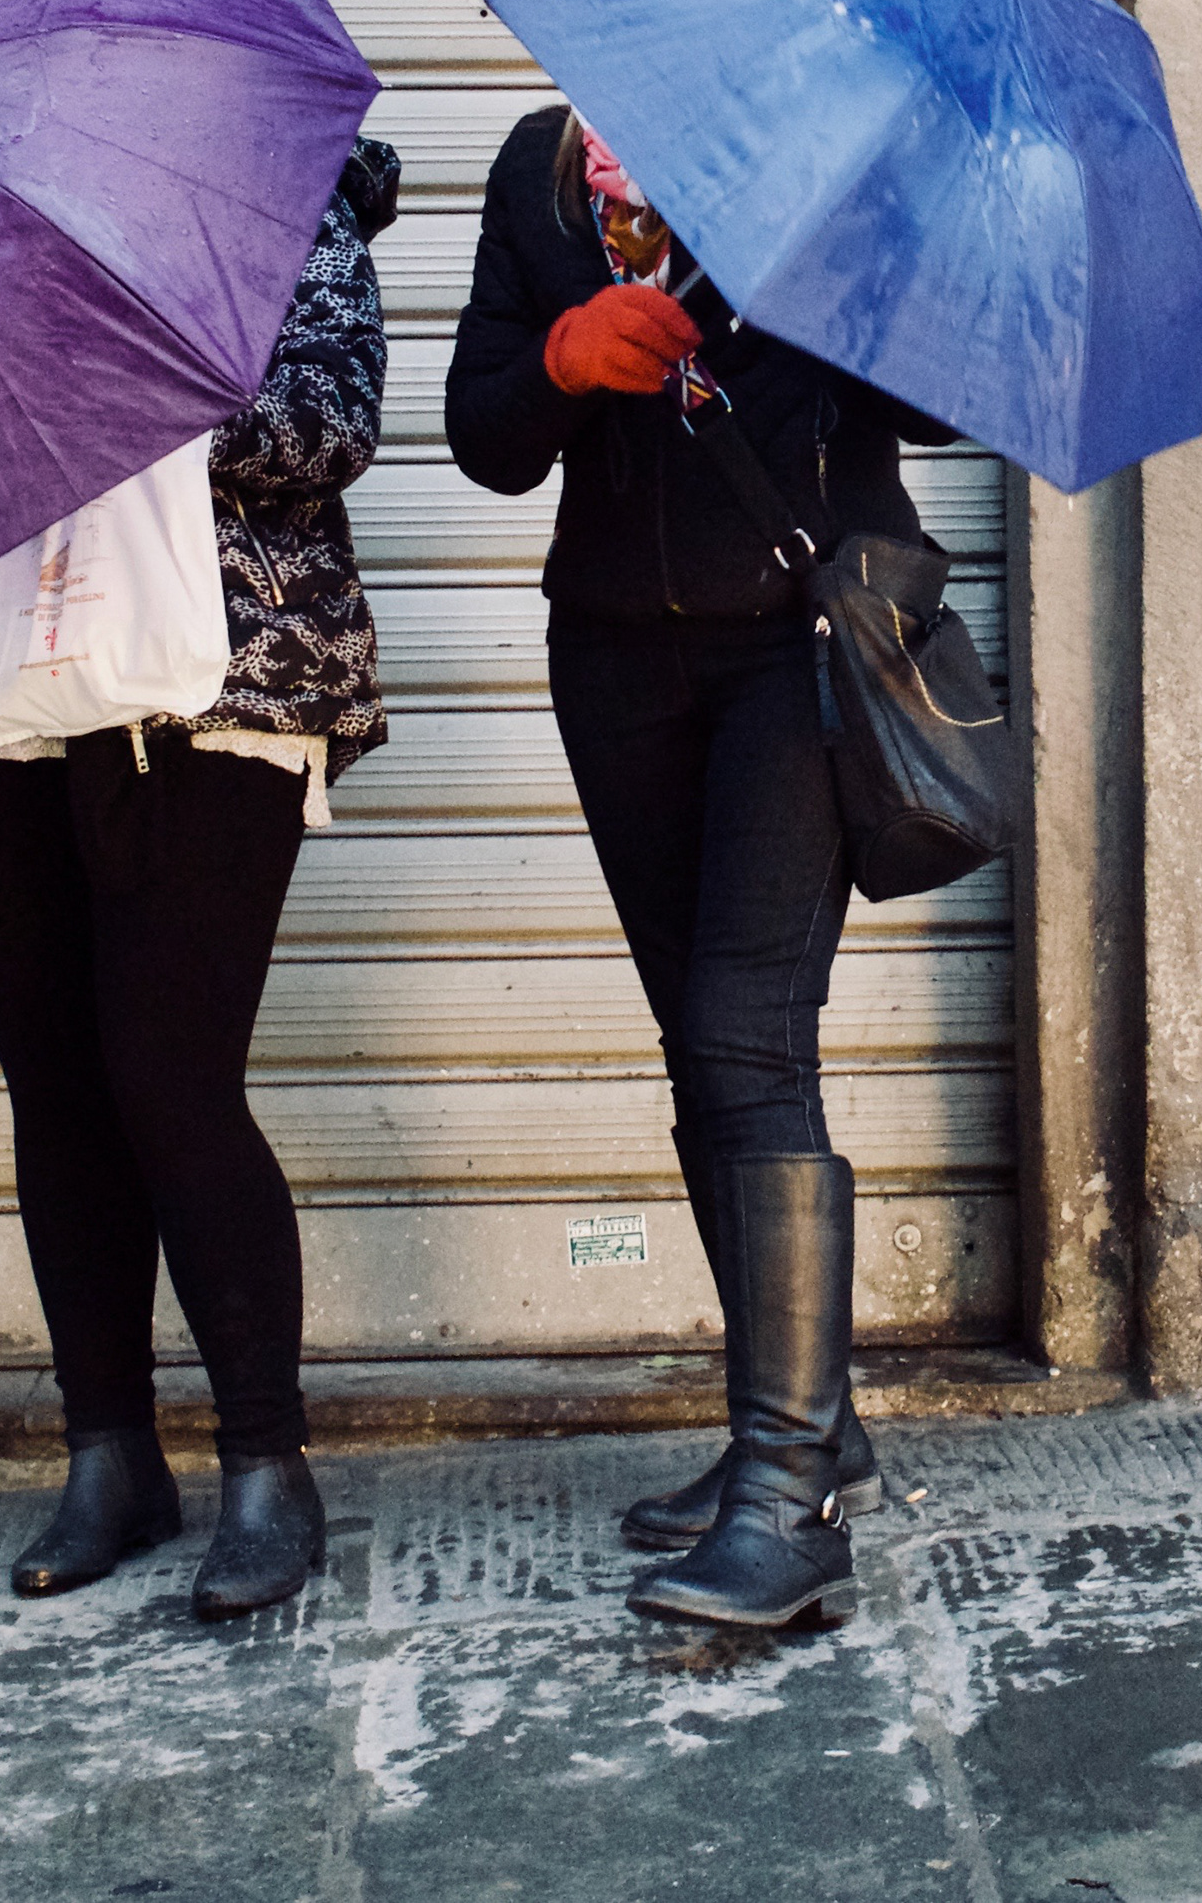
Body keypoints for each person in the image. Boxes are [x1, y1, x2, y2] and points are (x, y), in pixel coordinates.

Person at [0, 136, 397, 1619]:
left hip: (209, 687)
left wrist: (112, 356)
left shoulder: (275, 192)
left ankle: (266, 1464)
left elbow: (329, 422)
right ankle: (110, 1453)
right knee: (56, 1087)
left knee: (171, 1078)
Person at [444, 104, 956, 1631]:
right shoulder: (542, 173)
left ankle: (788, 1506)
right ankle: (801, 1433)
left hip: (799, 652)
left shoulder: (833, 155)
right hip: (613, 662)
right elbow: (481, 435)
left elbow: (937, 406)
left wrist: (801, 258)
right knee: (698, 1043)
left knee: (748, 1035)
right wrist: (562, 358)